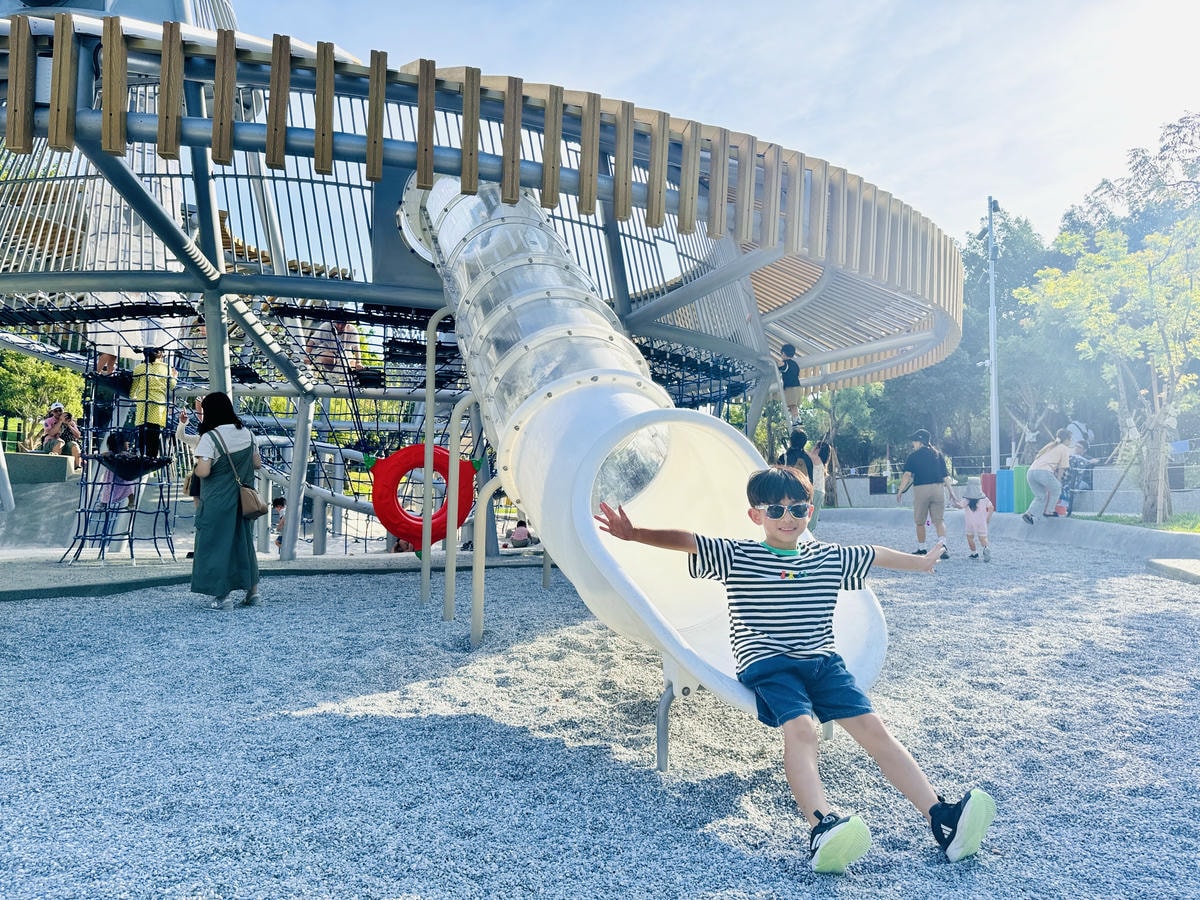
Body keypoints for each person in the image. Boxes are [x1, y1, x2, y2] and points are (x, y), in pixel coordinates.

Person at [594, 466, 995, 873]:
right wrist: (636, 533)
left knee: (875, 731)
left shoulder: (827, 556)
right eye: (775, 510)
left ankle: (940, 817)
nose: (787, 517)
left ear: (810, 511)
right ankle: (821, 827)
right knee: (802, 730)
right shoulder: (739, 554)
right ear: (756, 516)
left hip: (823, 664)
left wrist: (922, 563)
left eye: (798, 508)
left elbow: (876, 553)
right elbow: (688, 541)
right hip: (768, 665)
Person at [190, 391, 261, 610]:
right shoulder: (248, 434)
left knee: (216, 545)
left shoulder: (211, 437)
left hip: (218, 500)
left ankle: (222, 597)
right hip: (243, 500)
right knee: (244, 544)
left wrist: (196, 466)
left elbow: (203, 471)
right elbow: (256, 464)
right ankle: (253, 593)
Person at [895, 429, 953, 558]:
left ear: (920, 442)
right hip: (938, 489)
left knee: (920, 521)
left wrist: (900, 491)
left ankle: (922, 548)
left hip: (922, 489)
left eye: (914, 441)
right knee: (939, 520)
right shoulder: (938, 454)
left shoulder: (913, 456)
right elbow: (945, 476)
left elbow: (907, 475)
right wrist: (951, 492)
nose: (913, 444)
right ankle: (943, 546)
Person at [130, 348, 176, 458]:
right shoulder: (165, 368)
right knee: (154, 435)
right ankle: (153, 458)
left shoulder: (139, 368)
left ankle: (142, 458)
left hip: (143, 404)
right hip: (158, 404)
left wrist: (134, 397)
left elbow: (132, 389)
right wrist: (175, 376)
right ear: (159, 354)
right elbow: (172, 385)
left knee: (142, 434)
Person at [1022, 428, 1073, 524]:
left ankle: (1028, 514)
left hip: (1031, 472)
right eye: (1070, 439)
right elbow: (1062, 467)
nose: (1071, 441)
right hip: (1043, 472)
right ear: (1066, 439)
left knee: (1041, 496)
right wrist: (1058, 480)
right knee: (1057, 488)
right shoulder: (1064, 448)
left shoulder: (1050, 446)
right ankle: (1049, 511)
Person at [953, 476, 994, 561]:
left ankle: (974, 553)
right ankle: (986, 548)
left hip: (970, 522)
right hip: (982, 522)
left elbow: (960, 506)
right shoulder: (984, 498)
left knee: (970, 538)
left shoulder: (966, 499)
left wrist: (954, 501)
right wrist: (988, 518)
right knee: (983, 538)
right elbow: (991, 507)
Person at [38, 403, 82, 470]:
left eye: (60, 410)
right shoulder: (48, 421)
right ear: (52, 412)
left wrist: (69, 425)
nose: (58, 412)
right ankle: (54, 465)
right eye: (56, 411)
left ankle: (77, 467)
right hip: (51, 443)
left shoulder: (70, 421)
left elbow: (78, 435)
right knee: (60, 442)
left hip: (66, 444)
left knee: (74, 445)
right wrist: (60, 421)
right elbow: (51, 433)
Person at [774, 343, 803, 427]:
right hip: (797, 387)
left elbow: (781, 365)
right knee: (792, 405)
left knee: (792, 405)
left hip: (791, 388)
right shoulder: (795, 364)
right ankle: (796, 419)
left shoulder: (786, 363)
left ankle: (796, 419)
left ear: (783, 353)